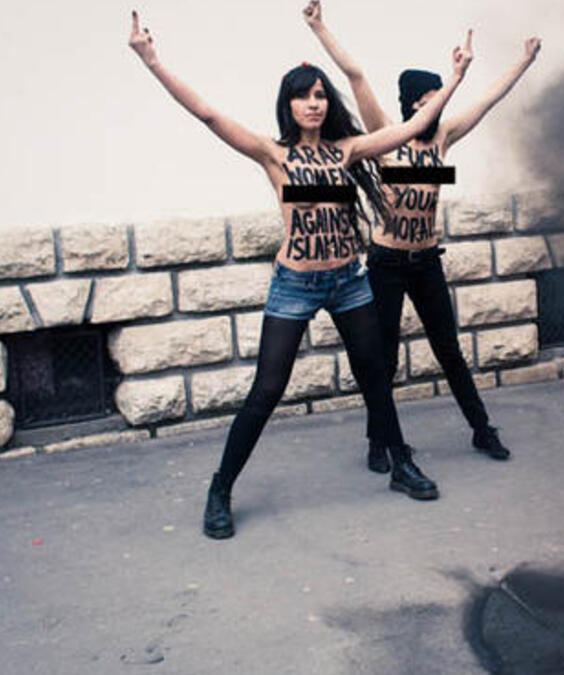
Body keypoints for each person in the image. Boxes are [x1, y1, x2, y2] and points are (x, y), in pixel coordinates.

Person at [127, 10, 473, 539]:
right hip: (295, 283)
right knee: (267, 388)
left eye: (319, 95)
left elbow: (412, 127)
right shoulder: (274, 154)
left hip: (348, 280)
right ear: (288, 105)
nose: (313, 103)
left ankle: (399, 462)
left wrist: (455, 78)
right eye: (302, 95)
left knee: (375, 374)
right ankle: (220, 488)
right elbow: (209, 115)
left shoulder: (347, 150)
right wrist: (153, 61)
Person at [303, 0, 541, 472]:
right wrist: (319, 28)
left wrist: (523, 61)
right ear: (415, 102)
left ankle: (481, 430)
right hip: (388, 264)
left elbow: (487, 101)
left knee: (449, 350)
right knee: (383, 359)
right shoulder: (386, 137)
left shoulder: (445, 137)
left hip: (427, 260)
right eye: (432, 97)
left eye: (442, 96)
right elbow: (355, 77)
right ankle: (380, 442)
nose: (441, 103)